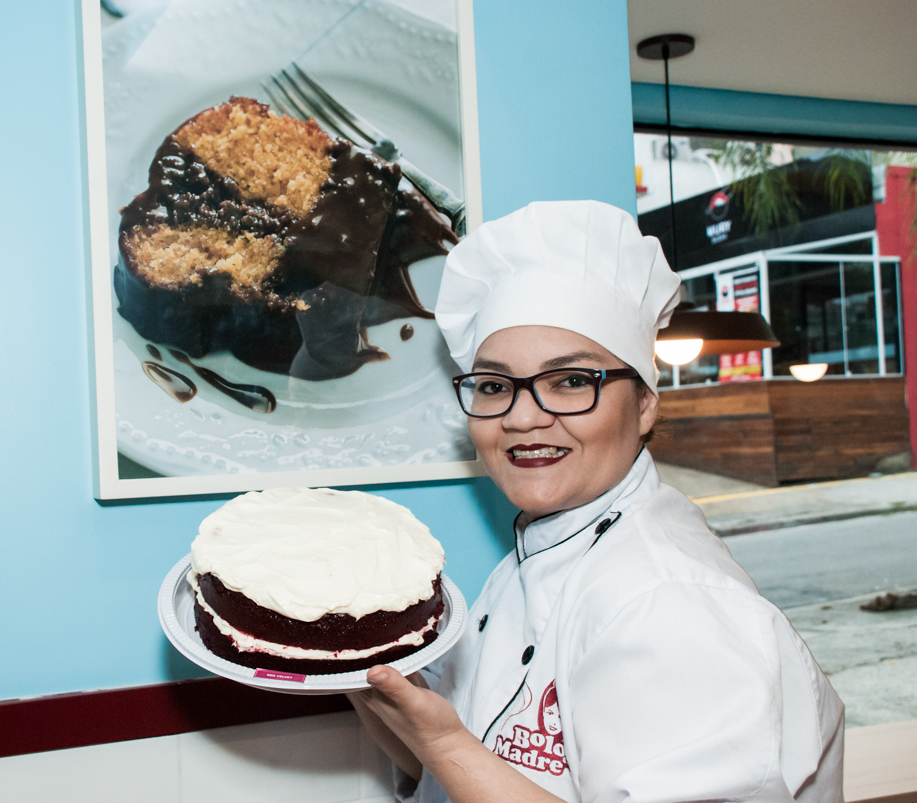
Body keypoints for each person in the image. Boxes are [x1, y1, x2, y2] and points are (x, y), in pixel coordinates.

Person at [347, 201, 843, 803]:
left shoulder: (670, 605)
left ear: (645, 403)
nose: (523, 418)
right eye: (496, 386)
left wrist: (449, 746)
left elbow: (457, 752)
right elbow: (456, 765)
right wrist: (348, 666)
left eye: (572, 381)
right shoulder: (528, 564)